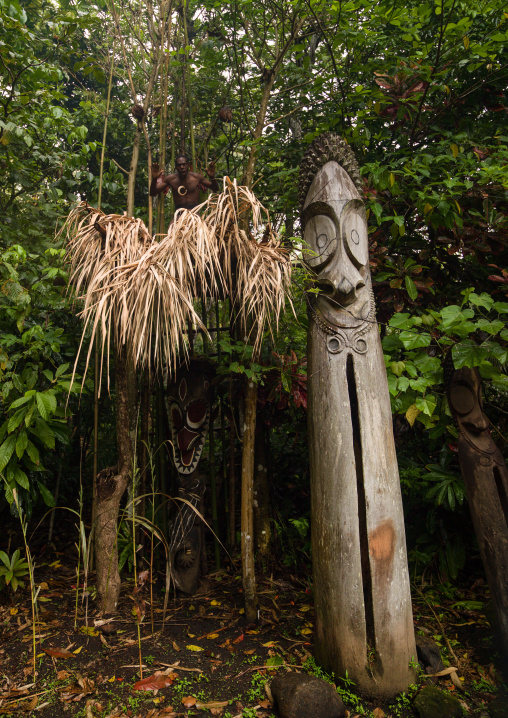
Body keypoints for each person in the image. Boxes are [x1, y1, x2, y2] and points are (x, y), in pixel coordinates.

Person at [150, 154, 219, 211]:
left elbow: (215, 188)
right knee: (170, 228)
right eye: (179, 165)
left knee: (203, 228)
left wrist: (212, 177)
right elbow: (153, 193)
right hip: (179, 214)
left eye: (184, 164)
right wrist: (154, 178)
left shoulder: (196, 177)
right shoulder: (171, 179)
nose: (182, 167)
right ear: (176, 167)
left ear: (188, 165)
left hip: (194, 214)